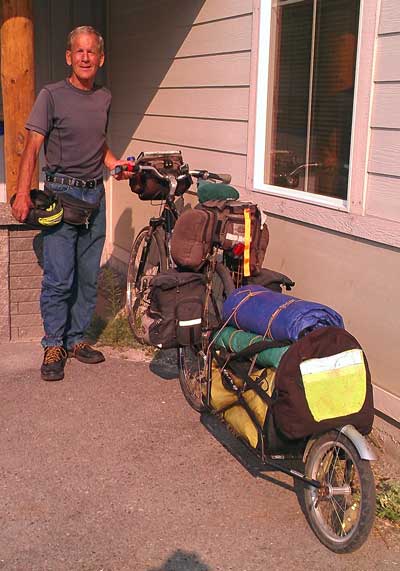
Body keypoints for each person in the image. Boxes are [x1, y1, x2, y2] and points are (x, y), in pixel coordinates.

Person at [11, 25, 132, 382]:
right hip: (61, 198)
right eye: (78, 51)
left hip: (95, 197)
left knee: (88, 278)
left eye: (91, 52)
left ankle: (77, 339)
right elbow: (32, 146)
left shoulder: (104, 98)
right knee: (60, 279)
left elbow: (98, 143)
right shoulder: (50, 95)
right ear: (68, 57)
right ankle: (54, 344)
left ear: (101, 58)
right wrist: (21, 193)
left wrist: (115, 164)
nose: (85, 57)